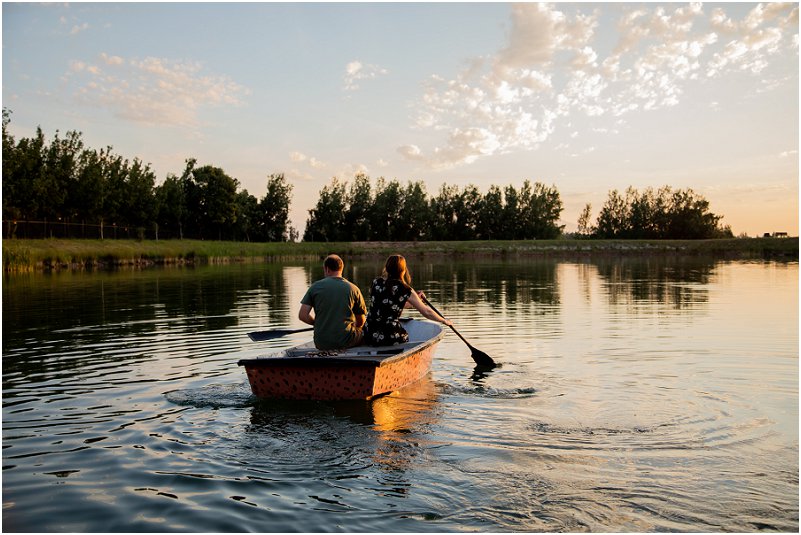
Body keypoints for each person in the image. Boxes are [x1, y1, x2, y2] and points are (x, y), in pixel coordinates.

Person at [364, 254, 452, 346]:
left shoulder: (376, 282)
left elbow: (390, 304)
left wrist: (417, 300)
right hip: (389, 336)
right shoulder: (404, 288)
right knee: (404, 336)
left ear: (386, 267)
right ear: (403, 270)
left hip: (369, 333)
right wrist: (444, 320)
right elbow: (427, 312)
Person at [299, 254, 366, 350]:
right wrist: (354, 326)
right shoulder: (354, 289)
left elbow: (303, 316)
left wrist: (316, 323)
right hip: (346, 340)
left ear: (327, 269)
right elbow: (361, 321)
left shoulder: (315, 287)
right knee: (366, 332)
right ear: (342, 268)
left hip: (321, 343)